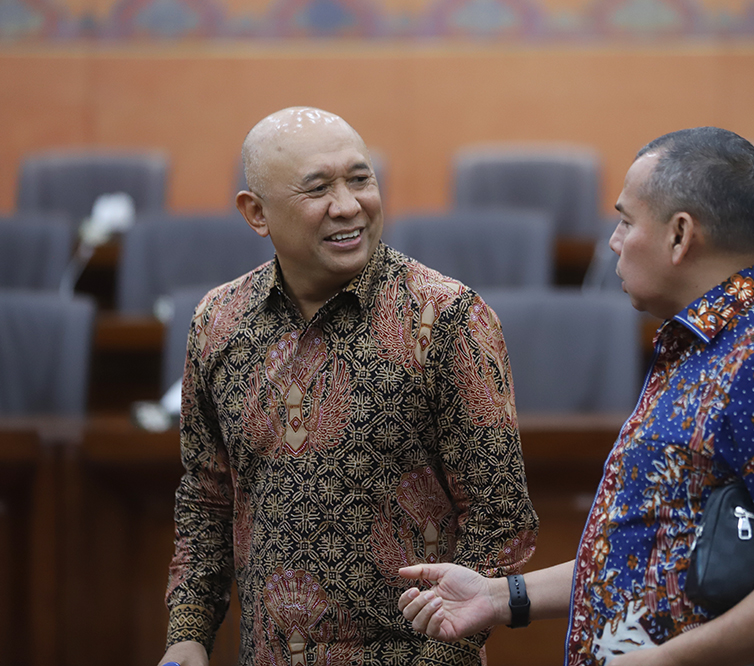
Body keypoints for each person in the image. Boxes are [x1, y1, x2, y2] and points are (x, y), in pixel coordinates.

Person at [399, 127, 754, 666]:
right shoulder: (702, 348)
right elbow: (653, 553)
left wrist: (670, 660)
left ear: (680, 235)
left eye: (627, 221)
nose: (613, 241)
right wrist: (500, 596)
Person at [157, 107, 538, 666]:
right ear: (256, 212)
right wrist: (187, 635)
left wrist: (443, 654)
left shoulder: (447, 317)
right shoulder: (218, 322)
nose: (348, 205)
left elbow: (500, 516)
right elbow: (206, 498)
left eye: (360, 179)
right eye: (318, 188)